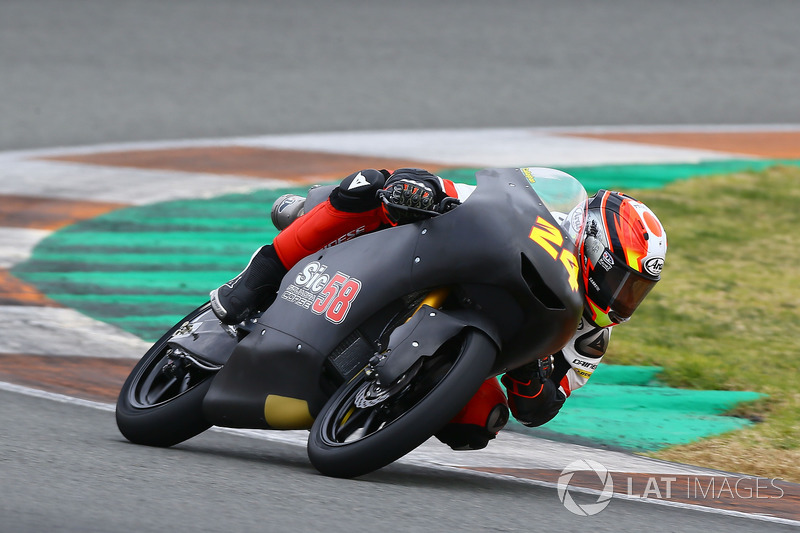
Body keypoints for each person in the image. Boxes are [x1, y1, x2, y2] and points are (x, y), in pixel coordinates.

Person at [210, 167, 667, 450]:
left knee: (479, 422)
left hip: (478, 335)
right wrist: (429, 190)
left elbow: (542, 408)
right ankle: (259, 277)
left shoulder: (590, 336)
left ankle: (378, 403)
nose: (622, 299)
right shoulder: (545, 220)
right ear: (589, 244)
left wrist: (530, 369)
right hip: (423, 256)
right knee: (373, 183)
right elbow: (477, 197)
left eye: (635, 292)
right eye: (621, 282)